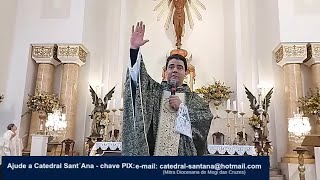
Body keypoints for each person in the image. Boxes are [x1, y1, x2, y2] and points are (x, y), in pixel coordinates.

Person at [122, 21, 213, 156]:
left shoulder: (195, 100)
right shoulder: (154, 92)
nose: (175, 70)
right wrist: (134, 50)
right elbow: (138, 85)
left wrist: (182, 108)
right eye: (171, 67)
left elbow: (203, 125)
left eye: (179, 67)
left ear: (186, 73)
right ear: (165, 71)